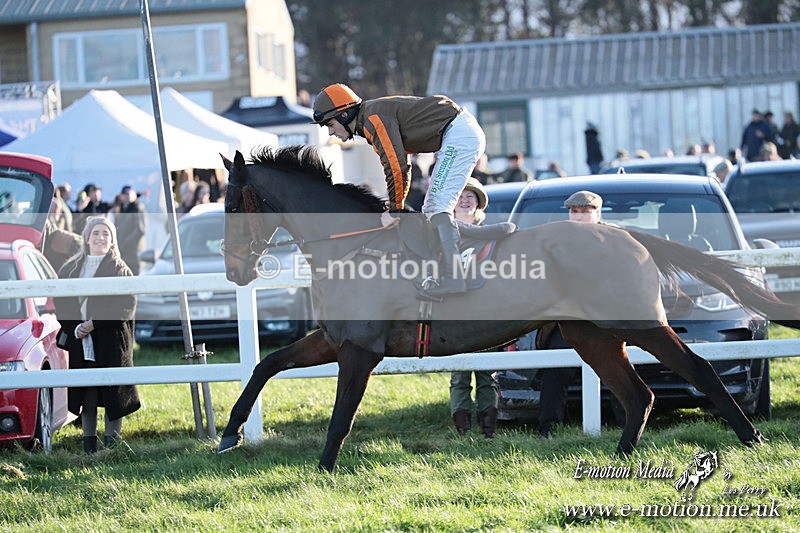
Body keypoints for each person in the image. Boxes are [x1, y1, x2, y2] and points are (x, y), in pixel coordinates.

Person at [312, 83, 486, 300]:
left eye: (330, 124)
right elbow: (402, 164)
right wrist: (397, 206)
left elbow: (395, 166)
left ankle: (454, 277)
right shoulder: (370, 118)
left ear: (345, 115)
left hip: (459, 134)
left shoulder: (373, 119)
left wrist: (395, 209)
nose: (330, 132)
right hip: (458, 132)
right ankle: (449, 270)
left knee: (437, 206)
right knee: (432, 207)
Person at [53, 217, 140, 454]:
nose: (100, 237)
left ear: (112, 240)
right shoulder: (70, 268)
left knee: (113, 391)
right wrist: (75, 327)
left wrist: (94, 324)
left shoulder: (120, 269)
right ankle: (89, 447)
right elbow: (61, 303)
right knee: (87, 392)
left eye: (105, 234)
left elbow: (126, 305)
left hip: (110, 340)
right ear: (87, 237)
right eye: (96, 233)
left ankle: (112, 447)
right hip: (81, 339)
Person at [537, 190, 602, 437]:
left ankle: (625, 421)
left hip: (605, 320)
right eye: (574, 212)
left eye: (585, 212)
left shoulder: (614, 239)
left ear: (597, 214)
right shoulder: (556, 242)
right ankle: (548, 430)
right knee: (554, 370)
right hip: (565, 320)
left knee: (618, 370)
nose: (579, 216)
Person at [448, 178, 498, 438]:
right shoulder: (441, 235)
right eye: (460, 196)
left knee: (488, 373)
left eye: (470, 196)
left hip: (486, 312)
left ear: (478, 203)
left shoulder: (492, 236)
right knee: (459, 375)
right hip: (454, 313)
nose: (465, 200)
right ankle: (463, 432)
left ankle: (489, 431)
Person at [114, 185, 148, 275]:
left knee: (135, 277)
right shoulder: (120, 208)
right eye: (125, 194)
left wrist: (126, 242)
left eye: (130, 193)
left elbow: (141, 230)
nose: (127, 196)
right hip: (122, 252)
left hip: (134, 252)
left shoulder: (138, 208)